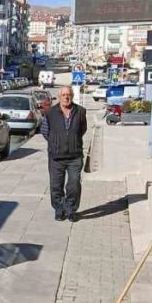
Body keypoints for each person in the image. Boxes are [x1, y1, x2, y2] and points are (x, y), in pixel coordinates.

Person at [40, 86, 88, 222]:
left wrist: (72, 140)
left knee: (74, 185)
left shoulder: (80, 112)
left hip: (75, 156)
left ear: (72, 96)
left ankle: (71, 209)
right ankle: (59, 210)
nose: (66, 97)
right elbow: (45, 131)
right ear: (59, 97)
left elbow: (82, 129)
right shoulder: (50, 113)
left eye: (69, 95)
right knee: (56, 186)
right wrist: (55, 143)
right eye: (64, 95)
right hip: (56, 157)